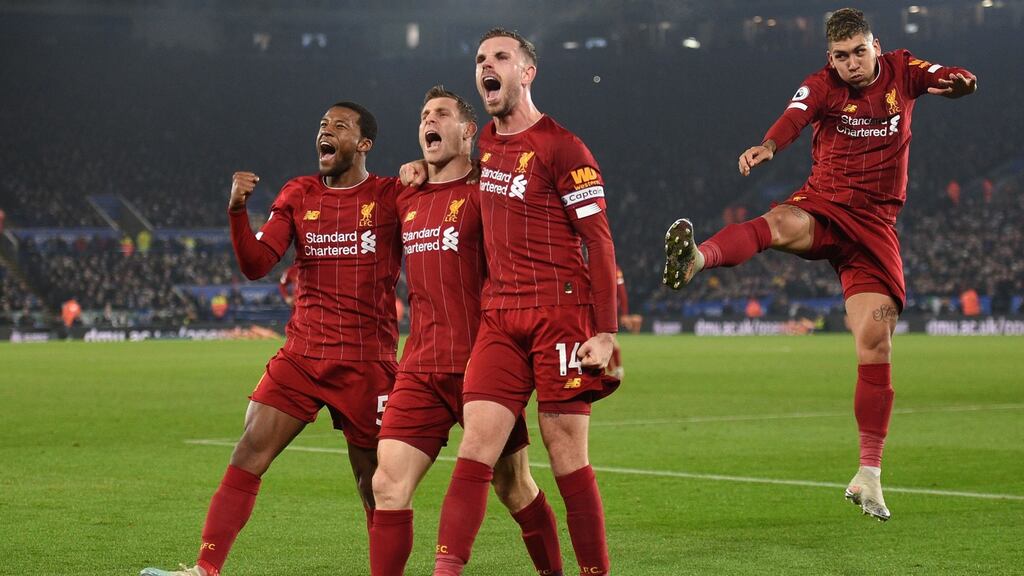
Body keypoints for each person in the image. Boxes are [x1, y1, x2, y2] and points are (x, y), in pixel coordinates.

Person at [662, 7, 977, 522]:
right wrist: (767, 146)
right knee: (779, 223)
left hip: (874, 229)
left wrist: (960, 83)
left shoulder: (902, 69)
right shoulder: (822, 84)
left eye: (858, 52)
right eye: (840, 56)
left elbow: (946, 76)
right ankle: (700, 257)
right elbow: (796, 115)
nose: (851, 64)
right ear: (828, 58)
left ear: (875, 46)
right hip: (826, 205)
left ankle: (869, 475)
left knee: (875, 340)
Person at [141, 101, 403, 576]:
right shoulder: (299, 193)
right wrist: (237, 210)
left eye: (340, 126)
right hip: (303, 355)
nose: (325, 131)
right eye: (322, 124)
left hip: (367, 361)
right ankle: (205, 570)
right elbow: (256, 264)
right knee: (248, 451)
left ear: (364, 144)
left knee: (376, 484)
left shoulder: (391, 196)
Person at [403, 28, 619, 575]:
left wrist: (606, 331)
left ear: (527, 72)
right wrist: (418, 170)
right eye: (479, 59)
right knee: (476, 447)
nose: (486, 66)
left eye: (501, 57)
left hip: (560, 314)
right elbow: (449, 169)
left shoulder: (563, 147)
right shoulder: (488, 147)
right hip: (499, 318)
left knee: (566, 453)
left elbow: (598, 239)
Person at [369, 85, 562, 576]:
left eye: (441, 114)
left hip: (487, 364)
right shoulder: (405, 196)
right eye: (423, 114)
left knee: (513, 485)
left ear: (468, 130)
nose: (429, 120)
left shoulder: (488, 191)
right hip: (421, 368)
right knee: (387, 484)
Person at [605, 266, 628, 379]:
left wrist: (624, 313)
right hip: (604, 310)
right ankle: (613, 370)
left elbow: (621, 291)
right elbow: (621, 291)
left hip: (605, 310)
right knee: (607, 341)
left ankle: (615, 370)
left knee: (608, 340)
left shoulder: (613, 268)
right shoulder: (613, 267)